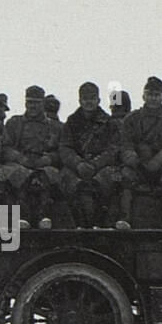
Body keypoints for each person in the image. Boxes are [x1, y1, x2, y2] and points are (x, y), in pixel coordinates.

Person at [117, 76, 162, 229]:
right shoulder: (131, 119)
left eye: (157, 95)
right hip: (137, 165)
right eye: (150, 94)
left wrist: (156, 162)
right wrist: (134, 160)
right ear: (143, 96)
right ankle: (124, 218)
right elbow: (125, 144)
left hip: (161, 166)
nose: (153, 98)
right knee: (125, 175)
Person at [58, 82, 122, 227]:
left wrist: (96, 164)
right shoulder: (71, 122)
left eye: (92, 98)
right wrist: (77, 163)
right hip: (77, 166)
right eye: (85, 98)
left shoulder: (109, 123)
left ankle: (99, 223)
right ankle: (78, 223)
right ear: (80, 100)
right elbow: (65, 147)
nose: (89, 102)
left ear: (98, 100)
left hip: (101, 166)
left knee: (106, 179)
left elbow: (113, 148)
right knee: (67, 178)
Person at [0, 85, 62, 228]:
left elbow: (61, 151)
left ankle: (44, 216)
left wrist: (49, 159)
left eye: (37, 102)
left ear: (43, 103)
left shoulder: (55, 127)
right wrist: (19, 158)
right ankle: (23, 216)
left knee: (48, 175)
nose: (33, 106)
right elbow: (5, 147)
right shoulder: (14, 123)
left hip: (44, 163)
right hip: (21, 163)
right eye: (30, 102)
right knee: (20, 175)